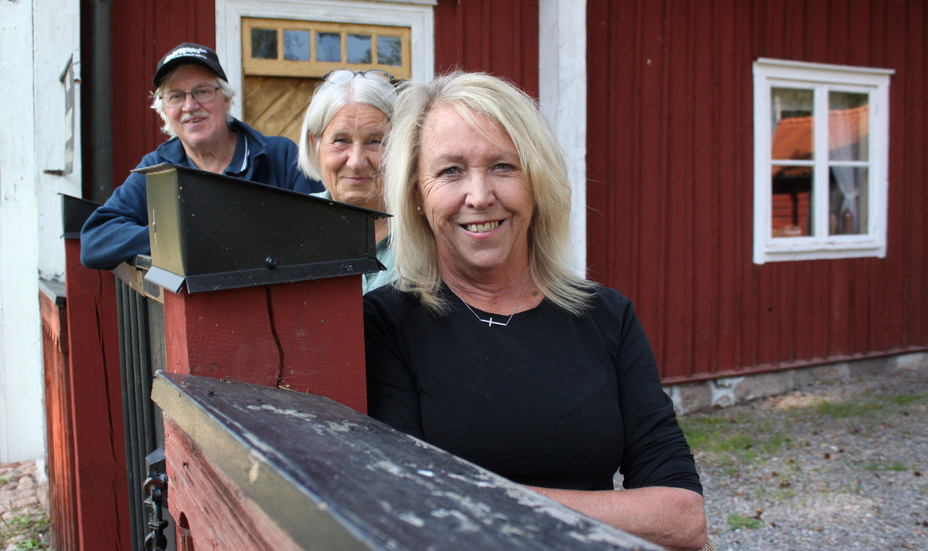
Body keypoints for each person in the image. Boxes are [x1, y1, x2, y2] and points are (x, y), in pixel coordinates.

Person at [363, 72, 708, 551]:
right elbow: (408, 505)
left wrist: (481, 495)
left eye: (504, 166)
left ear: (537, 182)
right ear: (417, 196)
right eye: (450, 171)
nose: (480, 196)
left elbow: (682, 516)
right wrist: (607, 512)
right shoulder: (385, 323)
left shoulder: (607, 316)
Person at [80, 42, 322, 270]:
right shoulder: (156, 169)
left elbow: (319, 234)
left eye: (202, 91)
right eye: (175, 96)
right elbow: (95, 240)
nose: (189, 106)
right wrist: (182, 237)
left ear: (225, 99)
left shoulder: (282, 157)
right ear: (164, 110)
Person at [298, 69, 397, 293]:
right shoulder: (289, 226)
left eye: (375, 142)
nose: (356, 161)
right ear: (316, 144)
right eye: (341, 140)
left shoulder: (427, 232)